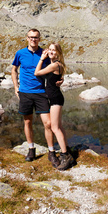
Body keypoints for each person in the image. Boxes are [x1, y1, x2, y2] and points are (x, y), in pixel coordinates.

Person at [11, 29, 61, 167]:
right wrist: (16, 87)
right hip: (25, 93)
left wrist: (60, 80)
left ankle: (51, 152)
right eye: (31, 37)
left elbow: (56, 66)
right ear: (27, 38)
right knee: (28, 122)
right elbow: (14, 69)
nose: (33, 39)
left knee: (48, 123)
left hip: (41, 93)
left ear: (39, 39)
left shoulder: (44, 53)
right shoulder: (20, 53)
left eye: (36, 37)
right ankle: (31, 149)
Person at [34, 42, 75, 171]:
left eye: (54, 50)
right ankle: (67, 150)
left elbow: (37, 73)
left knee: (54, 127)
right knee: (59, 126)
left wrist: (41, 59)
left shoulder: (55, 65)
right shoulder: (56, 64)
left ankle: (65, 156)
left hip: (55, 99)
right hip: (54, 97)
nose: (51, 51)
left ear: (58, 53)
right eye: (50, 49)